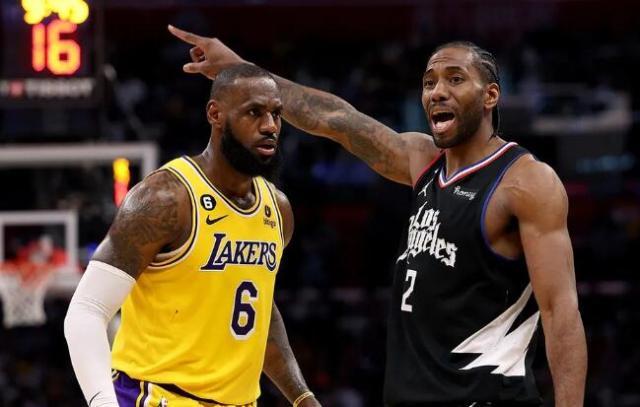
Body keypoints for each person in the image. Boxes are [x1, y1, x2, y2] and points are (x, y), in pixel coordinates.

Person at [168, 26, 588, 407]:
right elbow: (335, 119)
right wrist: (239, 70)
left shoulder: (525, 182)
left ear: (490, 96)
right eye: (429, 82)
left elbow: (561, 314)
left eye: (455, 79)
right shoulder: (423, 161)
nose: (437, 91)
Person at [64, 64, 321, 407]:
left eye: (276, 114)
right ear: (215, 114)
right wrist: (101, 401)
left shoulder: (278, 209)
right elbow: (87, 309)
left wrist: (302, 397)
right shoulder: (165, 198)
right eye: (254, 113)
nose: (270, 126)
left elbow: (258, 311)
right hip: (157, 397)